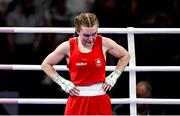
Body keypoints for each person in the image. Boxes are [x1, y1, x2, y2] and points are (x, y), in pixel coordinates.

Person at [41, 12, 130, 115]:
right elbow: (46, 64)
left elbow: (125, 56)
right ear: (78, 31)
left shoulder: (104, 43)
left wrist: (114, 76)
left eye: (94, 34)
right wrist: (61, 82)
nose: (91, 39)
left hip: (100, 99)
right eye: (86, 35)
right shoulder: (68, 46)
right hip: (76, 100)